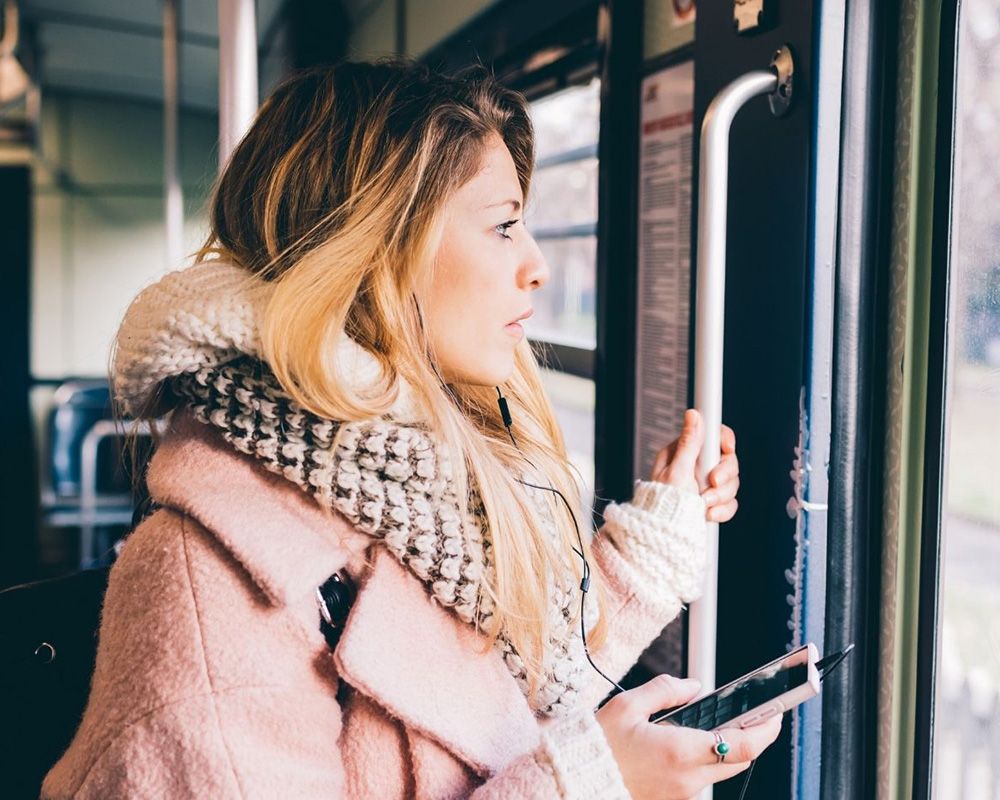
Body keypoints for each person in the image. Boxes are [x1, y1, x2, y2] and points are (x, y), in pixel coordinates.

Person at [42, 58, 780, 799]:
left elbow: (516, 696)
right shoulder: (207, 580)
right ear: (374, 251)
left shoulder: (426, 482)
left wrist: (652, 548)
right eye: (504, 226)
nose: (537, 267)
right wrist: (590, 784)